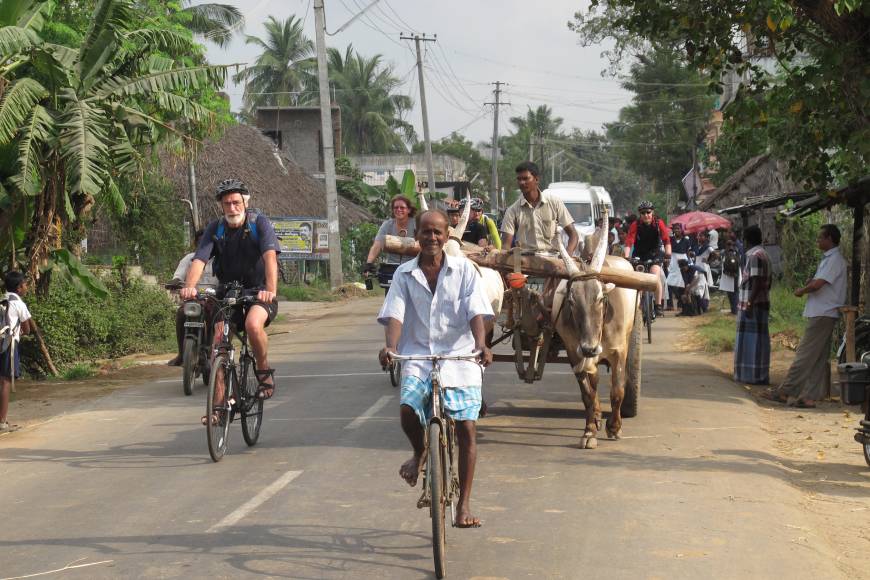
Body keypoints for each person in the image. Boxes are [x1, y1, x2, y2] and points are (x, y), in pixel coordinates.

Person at [378, 209, 494, 528]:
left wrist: (482, 344)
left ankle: (464, 505)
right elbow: (395, 316)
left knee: (467, 428)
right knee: (406, 409)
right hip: (417, 354)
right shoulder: (403, 275)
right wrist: (391, 347)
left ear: (447, 237)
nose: (431, 238)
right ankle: (419, 453)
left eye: (438, 232)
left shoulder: (465, 271)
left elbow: (476, 311)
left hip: (460, 354)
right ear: (416, 235)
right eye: (426, 232)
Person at [181, 179, 281, 415]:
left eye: (236, 202)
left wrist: (271, 289)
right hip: (228, 292)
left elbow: (270, 258)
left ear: (245, 202)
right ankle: (218, 407)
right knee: (219, 345)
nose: (232, 208)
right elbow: (199, 260)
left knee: (253, 325)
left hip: (258, 291)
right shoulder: (215, 229)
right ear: (221, 206)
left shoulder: (260, 223)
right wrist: (189, 287)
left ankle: (263, 371)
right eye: (227, 204)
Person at [761, 224, 847, 408]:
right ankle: (809, 396)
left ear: (829, 239)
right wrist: (811, 284)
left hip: (823, 312)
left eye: (820, 238)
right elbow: (820, 282)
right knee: (818, 358)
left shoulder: (834, 260)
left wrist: (802, 290)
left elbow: (818, 285)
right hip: (824, 311)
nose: (818, 241)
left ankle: (786, 391)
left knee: (804, 354)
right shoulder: (829, 259)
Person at [501, 161, 579, 256]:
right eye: (519, 179)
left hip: (553, 259)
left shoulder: (555, 203)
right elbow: (506, 246)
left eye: (525, 178)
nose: (522, 182)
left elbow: (573, 235)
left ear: (536, 179)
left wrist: (568, 254)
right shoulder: (512, 211)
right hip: (524, 260)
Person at [167, 230, 218, 366]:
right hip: (193, 299)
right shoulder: (189, 258)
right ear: (196, 243)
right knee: (180, 314)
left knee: (216, 317)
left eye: (207, 242)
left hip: (214, 299)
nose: (204, 245)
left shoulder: (220, 259)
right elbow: (178, 276)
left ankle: (213, 351)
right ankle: (181, 354)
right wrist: (175, 283)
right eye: (201, 241)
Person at [733, 225, 772, 385]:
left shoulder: (755, 255)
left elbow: (757, 281)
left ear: (746, 240)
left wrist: (749, 303)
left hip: (752, 304)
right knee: (759, 341)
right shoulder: (763, 254)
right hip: (759, 302)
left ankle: (751, 375)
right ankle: (757, 374)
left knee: (751, 342)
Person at [624, 200, 671, 314]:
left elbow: (666, 240)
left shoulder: (658, 223)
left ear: (652, 212)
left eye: (648, 212)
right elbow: (629, 242)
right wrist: (626, 256)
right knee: (638, 278)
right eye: (643, 213)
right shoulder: (636, 224)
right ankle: (638, 304)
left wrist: (668, 253)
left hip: (655, 252)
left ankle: (658, 305)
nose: (646, 215)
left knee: (655, 275)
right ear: (640, 214)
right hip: (639, 253)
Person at [364, 195, 417, 291]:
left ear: (409, 210)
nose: (399, 210)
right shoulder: (387, 225)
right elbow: (377, 245)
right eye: (396, 207)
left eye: (402, 207)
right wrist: (369, 263)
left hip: (413, 268)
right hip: (393, 269)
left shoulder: (416, 224)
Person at [1, 271, 32, 432]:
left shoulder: (2, 299)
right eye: (25, 284)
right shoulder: (19, 304)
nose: (26, 287)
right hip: (8, 346)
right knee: (5, 382)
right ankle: (2, 421)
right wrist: (20, 330)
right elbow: (27, 329)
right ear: (19, 288)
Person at [719, 239, 741, 314]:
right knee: (732, 292)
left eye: (729, 244)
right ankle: (734, 309)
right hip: (732, 275)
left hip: (731, 275)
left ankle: (735, 310)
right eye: (729, 244)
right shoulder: (734, 252)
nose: (729, 246)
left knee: (733, 293)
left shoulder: (730, 253)